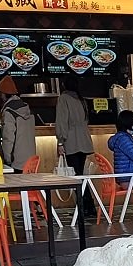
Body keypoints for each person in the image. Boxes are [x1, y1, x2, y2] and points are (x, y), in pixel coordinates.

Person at [56, 76, 95, 218]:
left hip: (71, 142)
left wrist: (60, 142)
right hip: (84, 140)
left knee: (76, 177)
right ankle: (89, 207)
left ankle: (83, 208)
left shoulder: (63, 98)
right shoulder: (81, 99)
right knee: (81, 175)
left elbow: (62, 121)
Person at [0, 76, 35, 170]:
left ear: (4, 94)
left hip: (16, 161)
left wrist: (6, 158)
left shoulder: (9, 112)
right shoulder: (27, 109)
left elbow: (8, 137)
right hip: (30, 160)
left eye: (0, 93)